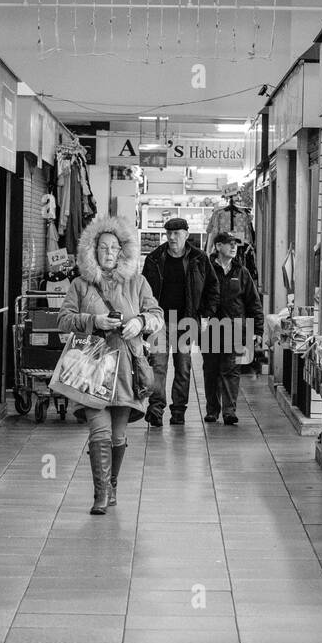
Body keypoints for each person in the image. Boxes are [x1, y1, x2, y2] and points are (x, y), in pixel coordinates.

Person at [58, 218, 163, 515]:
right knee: (99, 432)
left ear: (122, 252)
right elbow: (63, 320)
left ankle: (112, 484)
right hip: (91, 368)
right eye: (102, 247)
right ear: (93, 250)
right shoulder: (80, 285)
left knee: (118, 437)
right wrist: (94, 322)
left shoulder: (137, 282)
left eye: (114, 248)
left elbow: (156, 314)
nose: (108, 252)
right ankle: (101, 494)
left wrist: (139, 322)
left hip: (126, 368)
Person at [142, 217, 218, 426]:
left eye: (176, 233)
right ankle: (156, 409)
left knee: (183, 367)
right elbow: (143, 290)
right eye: (169, 233)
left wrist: (205, 315)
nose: (172, 237)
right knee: (158, 366)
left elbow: (213, 288)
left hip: (186, 321)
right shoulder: (155, 258)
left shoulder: (199, 258)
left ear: (186, 234)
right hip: (159, 322)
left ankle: (178, 411)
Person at [202, 233, 264, 425]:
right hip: (211, 328)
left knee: (231, 370)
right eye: (229, 244)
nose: (234, 247)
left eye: (235, 244)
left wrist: (258, 331)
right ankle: (212, 410)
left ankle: (229, 411)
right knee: (211, 371)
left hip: (236, 329)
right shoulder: (206, 269)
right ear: (218, 246)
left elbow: (253, 303)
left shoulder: (242, 272)